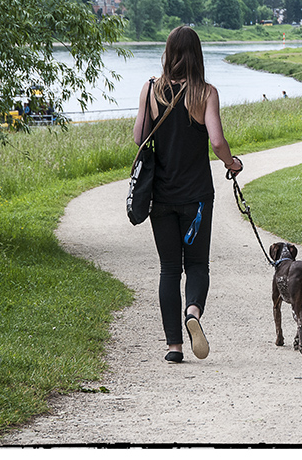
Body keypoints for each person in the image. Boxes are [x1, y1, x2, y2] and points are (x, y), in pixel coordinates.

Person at [133, 26, 243, 364]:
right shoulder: (206, 93)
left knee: (169, 269)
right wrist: (232, 163)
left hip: (160, 195)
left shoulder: (150, 89)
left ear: (168, 52)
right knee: (196, 264)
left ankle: (174, 346)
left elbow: (139, 138)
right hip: (196, 196)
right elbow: (217, 142)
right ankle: (192, 310)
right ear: (197, 55)